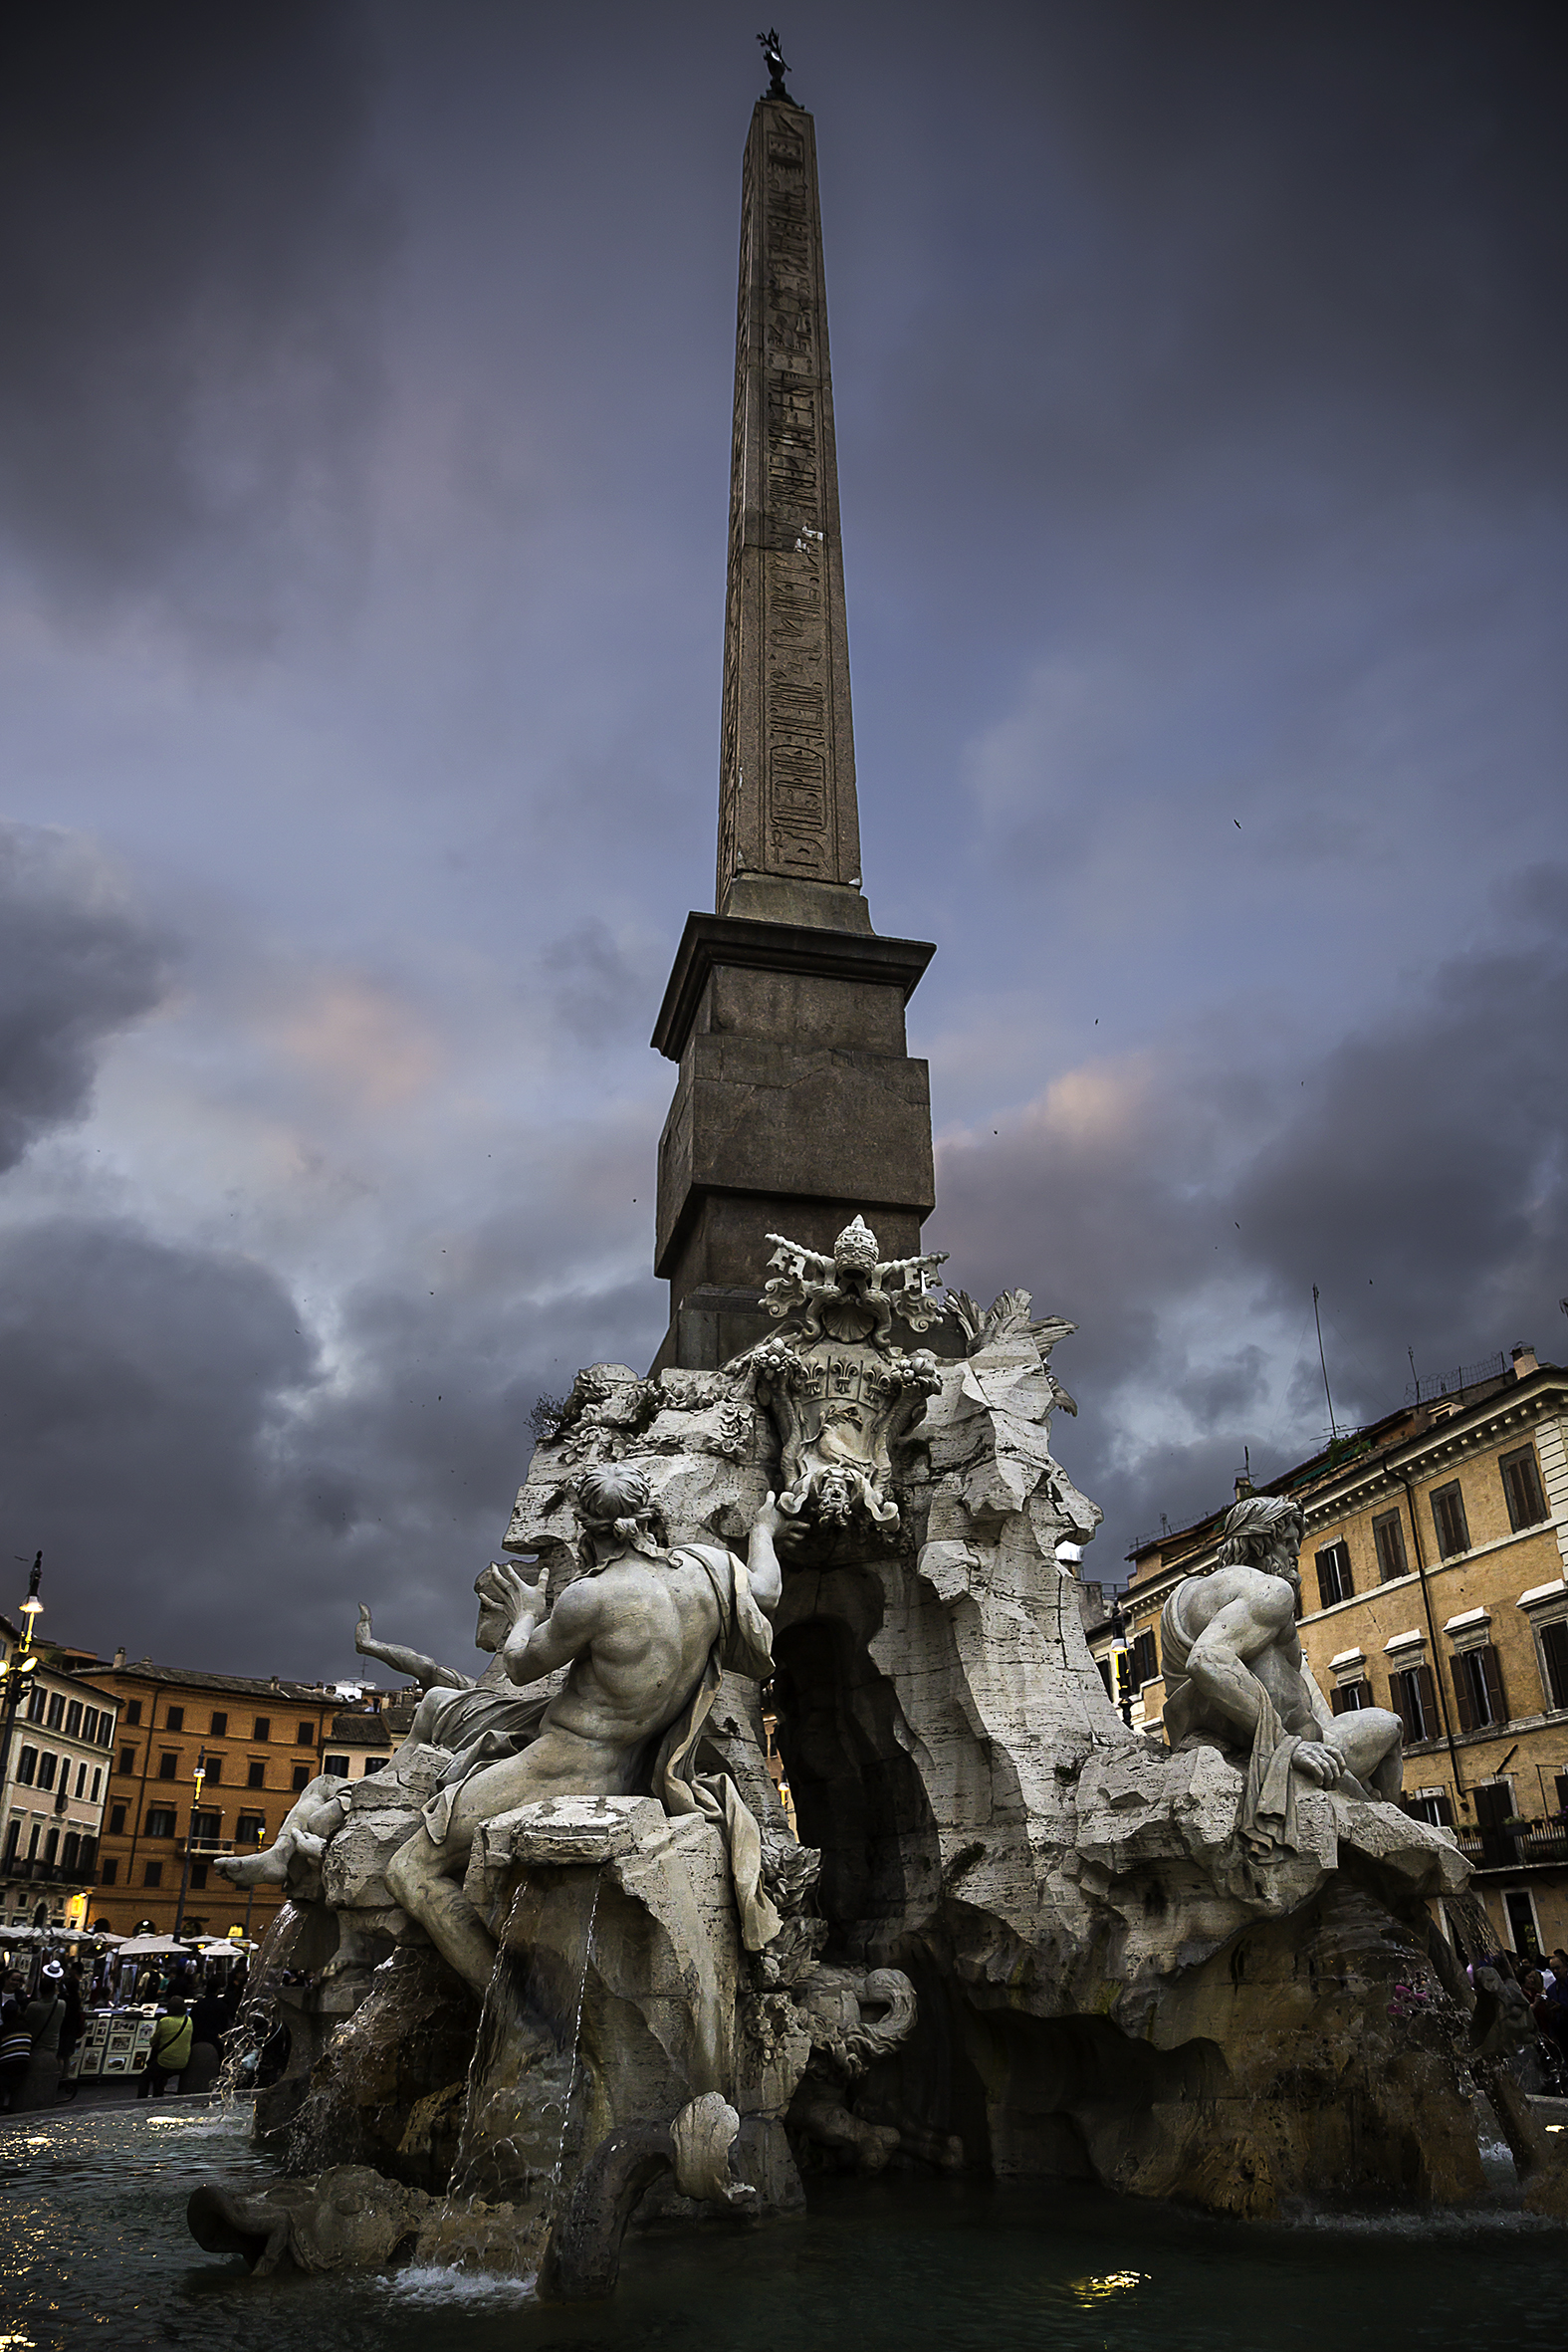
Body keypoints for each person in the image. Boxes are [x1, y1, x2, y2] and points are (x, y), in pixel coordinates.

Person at [385, 1470, 786, 1994]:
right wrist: (763, 1529)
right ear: (650, 1518)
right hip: (640, 1769)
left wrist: (525, 1613)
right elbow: (767, 1592)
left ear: (583, 1529)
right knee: (456, 1716)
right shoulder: (707, 1569)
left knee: (409, 1869)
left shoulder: (591, 1596)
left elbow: (522, 1666)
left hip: (564, 1767)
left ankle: (517, 2015)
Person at [1160, 1495, 1405, 1859]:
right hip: (1278, 1743)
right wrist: (1288, 1746)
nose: (1296, 1555)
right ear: (1262, 1541)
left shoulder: (1185, 1596)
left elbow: (1301, 1685)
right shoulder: (1271, 1591)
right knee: (1390, 1724)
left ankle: (1378, 1817)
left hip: (1221, 1737)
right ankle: (1390, 1839)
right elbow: (1207, 1661)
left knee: (1350, 1735)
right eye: (1289, 1543)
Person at [137, 1997, 193, 2099]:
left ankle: (142, 2100)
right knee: (159, 2075)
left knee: (145, 2077)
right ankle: (158, 2096)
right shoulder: (188, 2020)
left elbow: (153, 2041)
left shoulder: (164, 2021)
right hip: (183, 2061)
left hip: (165, 2062)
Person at [0, 1976, 31, 2112]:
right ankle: (13, 2106)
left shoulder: (4, 2029)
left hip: (7, 2065)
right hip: (23, 2063)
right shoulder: (24, 2026)